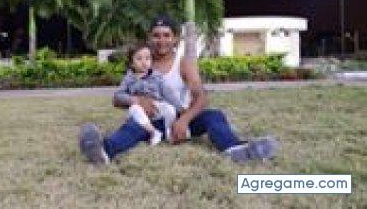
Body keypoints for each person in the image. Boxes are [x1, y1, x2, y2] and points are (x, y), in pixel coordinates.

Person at [79, 15, 278, 164]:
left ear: (175, 39)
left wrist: (184, 120)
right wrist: (137, 101)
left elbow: (200, 96)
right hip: (151, 123)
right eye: (156, 36)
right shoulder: (141, 63)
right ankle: (103, 152)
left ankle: (235, 150)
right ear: (150, 38)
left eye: (167, 35)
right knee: (131, 126)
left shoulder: (183, 63)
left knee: (214, 116)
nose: (161, 40)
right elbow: (117, 99)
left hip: (180, 119)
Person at [114, 42, 188, 146]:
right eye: (139, 59)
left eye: (147, 58)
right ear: (131, 63)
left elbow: (168, 93)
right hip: (139, 111)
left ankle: (170, 133)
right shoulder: (129, 79)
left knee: (170, 109)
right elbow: (118, 95)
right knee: (134, 108)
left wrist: (180, 108)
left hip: (156, 108)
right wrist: (133, 99)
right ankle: (154, 132)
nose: (144, 62)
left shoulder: (157, 77)